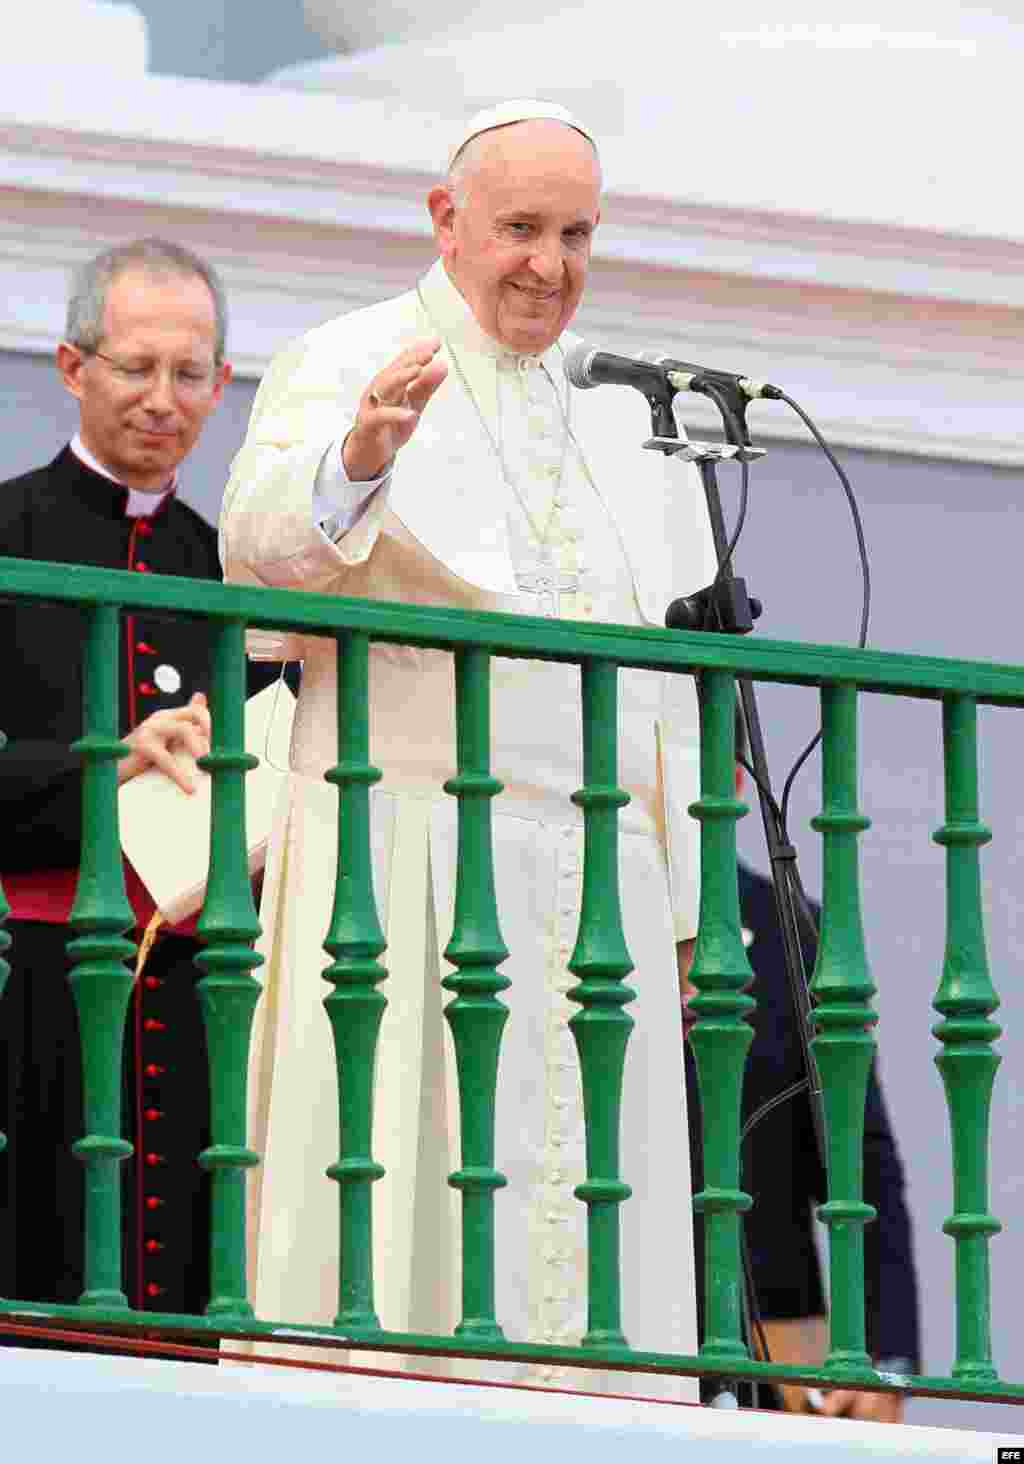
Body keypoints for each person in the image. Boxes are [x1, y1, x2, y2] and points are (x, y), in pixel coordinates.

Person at [220, 100, 717, 1393]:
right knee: (415, 1219)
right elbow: (254, 560)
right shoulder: (351, 358)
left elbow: (652, 666)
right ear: (447, 222)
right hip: (410, 853)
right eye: (520, 230)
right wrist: (355, 464)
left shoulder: (614, 408)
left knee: (592, 1251)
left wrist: (683, 896)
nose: (549, 264)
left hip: (594, 886)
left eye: (576, 234)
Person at [0, 237, 279, 1323]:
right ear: (74, 368)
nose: (165, 400)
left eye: (192, 373)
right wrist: (103, 771)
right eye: (135, 367)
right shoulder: (9, 535)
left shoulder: (229, 575)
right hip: (35, 998)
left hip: (196, 1007)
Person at [682, 714, 921, 1420]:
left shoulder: (793, 928)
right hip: (586, 1335)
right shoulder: (554, 909)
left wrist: (885, 1358)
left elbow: (860, 1163)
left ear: (726, 784)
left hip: (770, 1357)